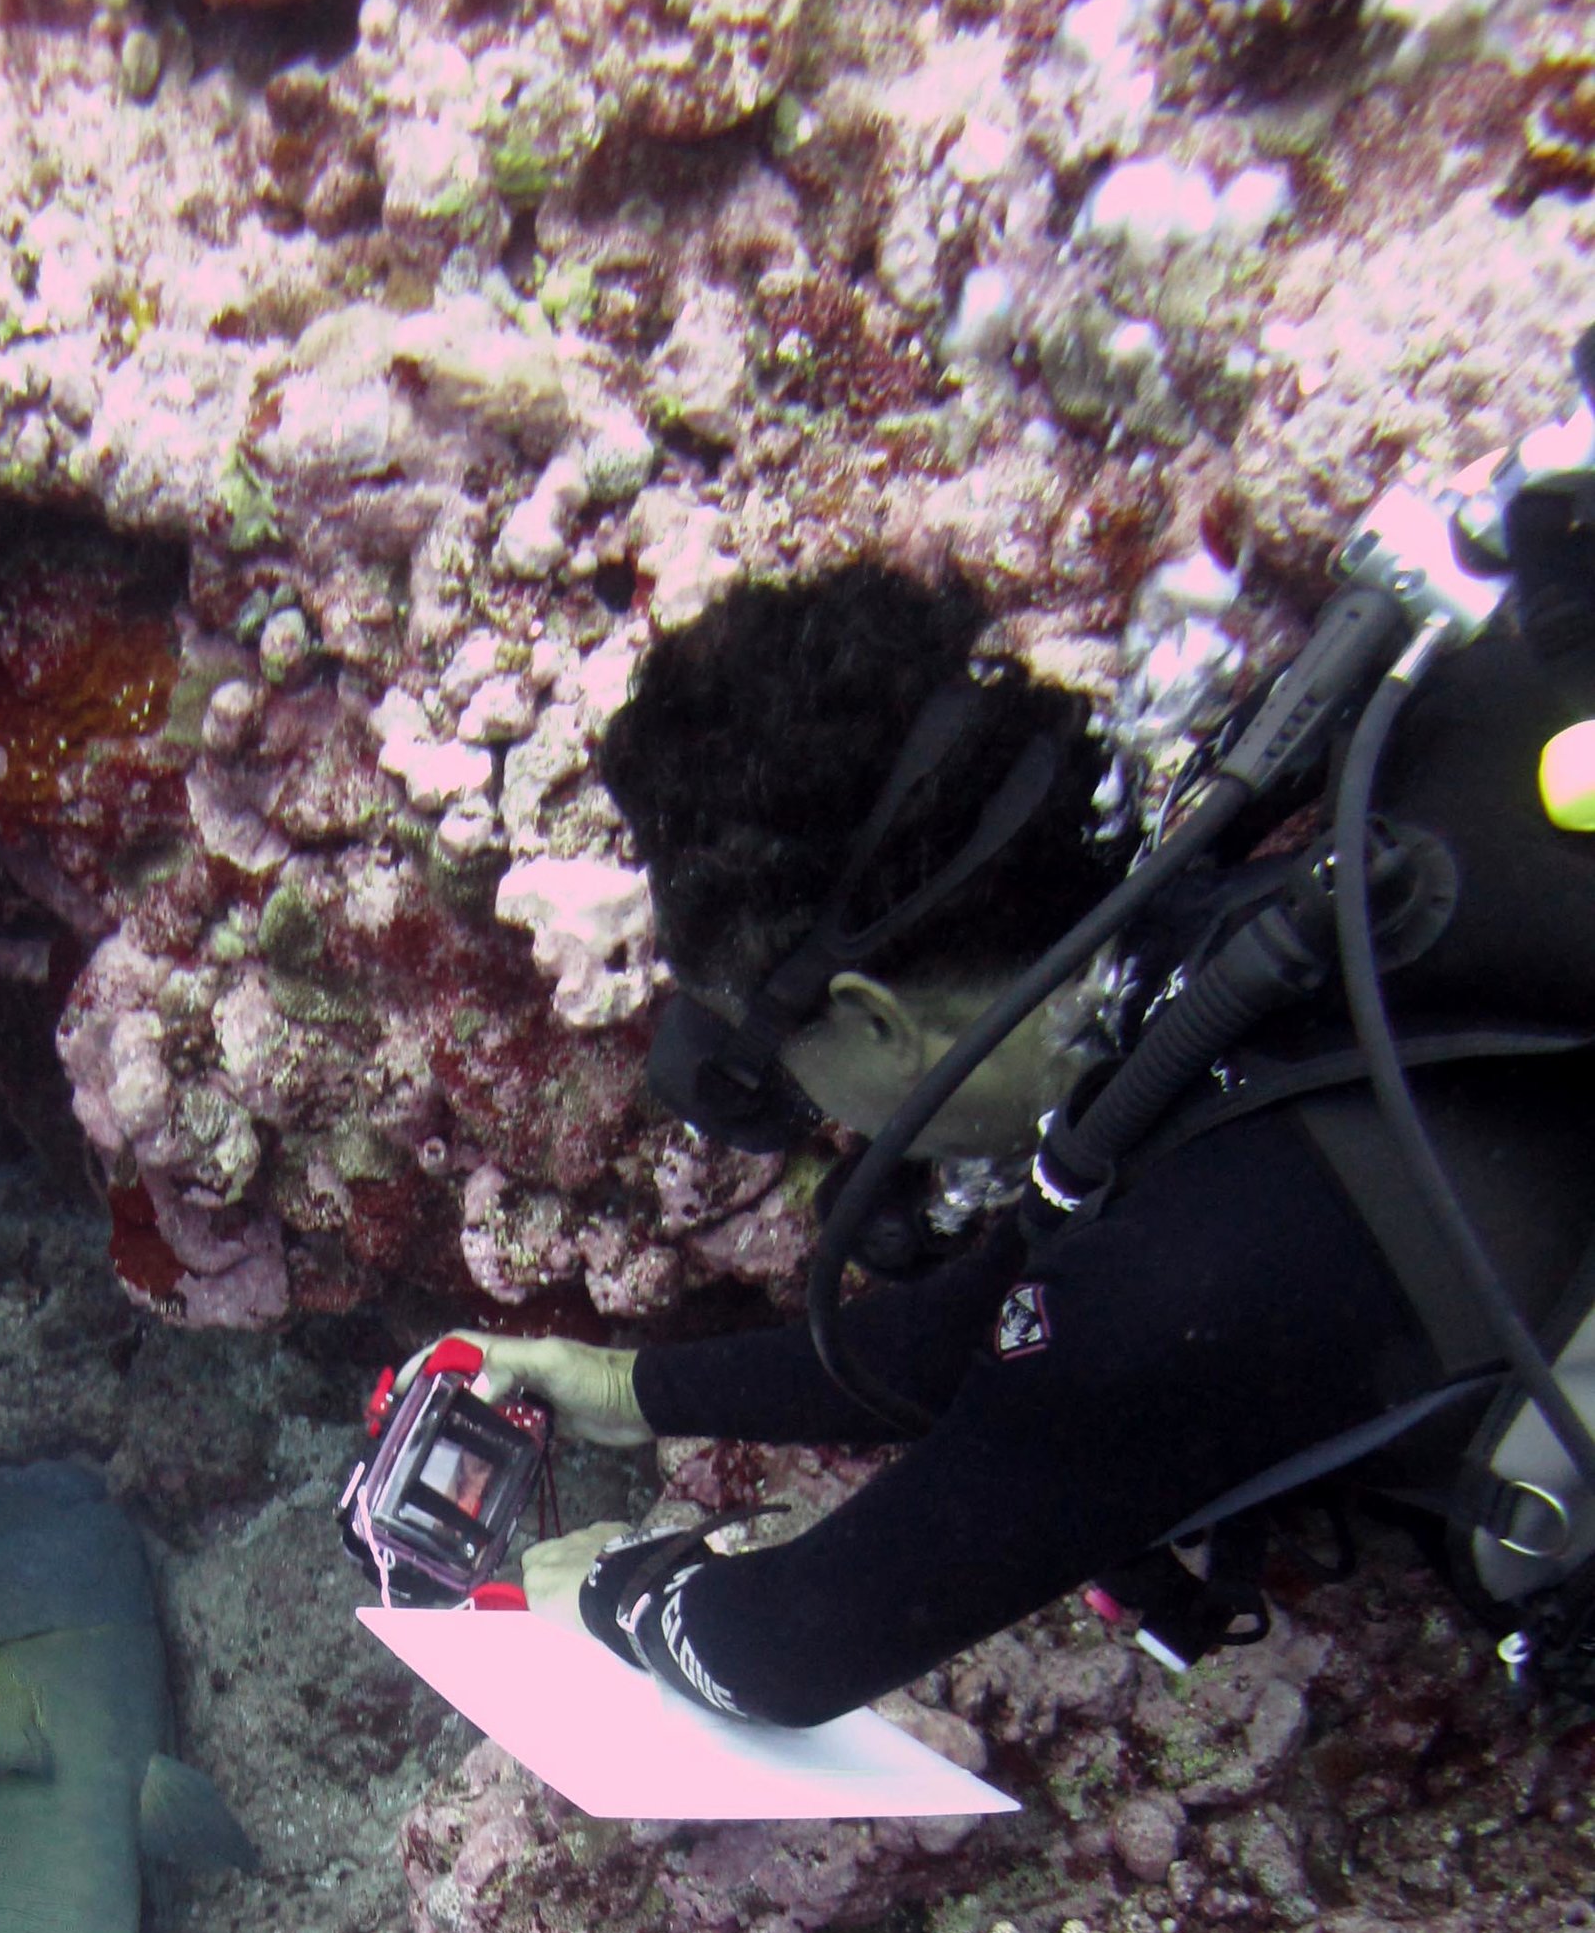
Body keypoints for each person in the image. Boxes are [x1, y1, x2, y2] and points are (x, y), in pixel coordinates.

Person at [441, 561, 1595, 1727]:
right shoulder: (1247, 941)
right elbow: (982, 1333)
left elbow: (786, 1650)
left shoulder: (1191, 1275)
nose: (799, 1098)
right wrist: (630, 1387)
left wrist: (605, 1589)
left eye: (774, 1051)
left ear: (877, 1020)